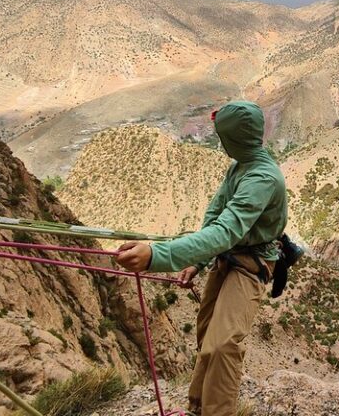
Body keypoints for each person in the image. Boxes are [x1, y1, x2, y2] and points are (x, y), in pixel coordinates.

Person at [116, 101, 288, 416]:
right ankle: (198, 406)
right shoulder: (241, 165)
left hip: (251, 268)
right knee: (207, 335)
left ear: (235, 139)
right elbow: (215, 215)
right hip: (229, 257)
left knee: (223, 345)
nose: (220, 143)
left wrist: (158, 255)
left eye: (223, 137)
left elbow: (226, 231)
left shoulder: (263, 179)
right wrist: (197, 262)